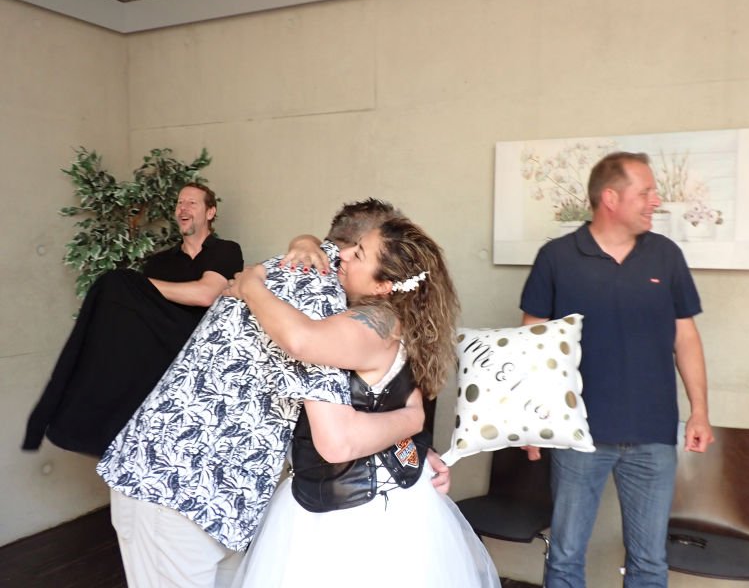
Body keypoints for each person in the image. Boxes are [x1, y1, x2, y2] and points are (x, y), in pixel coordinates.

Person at [97, 199, 452, 588]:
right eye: (360, 248)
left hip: (225, 493)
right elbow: (336, 431)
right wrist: (412, 420)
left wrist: (411, 444)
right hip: (175, 481)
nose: (349, 257)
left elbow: (361, 396)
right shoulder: (317, 288)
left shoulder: (317, 285)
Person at [227, 216, 500, 588]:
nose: (344, 255)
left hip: (352, 514)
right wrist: (304, 240)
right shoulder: (403, 320)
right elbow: (392, 409)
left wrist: (252, 286)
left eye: (359, 254)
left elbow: (301, 340)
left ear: (384, 284)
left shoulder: (373, 322)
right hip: (387, 494)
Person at [519, 152, 714, 588]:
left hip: (653, 434)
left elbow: (686, 338)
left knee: (649, 563)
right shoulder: (556, 257)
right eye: (645, 192)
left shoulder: (666, 255)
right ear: (610, 198)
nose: (655, 201)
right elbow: (532, 343)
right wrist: (530, 420)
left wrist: (700, 411)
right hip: (577, 434)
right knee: (565, 557)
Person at [22, 183, 243, 457]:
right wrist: (136, 289)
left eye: (192, 203)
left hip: (203, 342)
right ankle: (90, 430)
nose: (182, 208)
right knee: (111, 315)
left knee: (117, 282)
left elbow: (206, 294)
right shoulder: (159, 263)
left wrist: (139, 285)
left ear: (210, 212)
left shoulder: (225, 250)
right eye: (179, 203)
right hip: (161, 341)